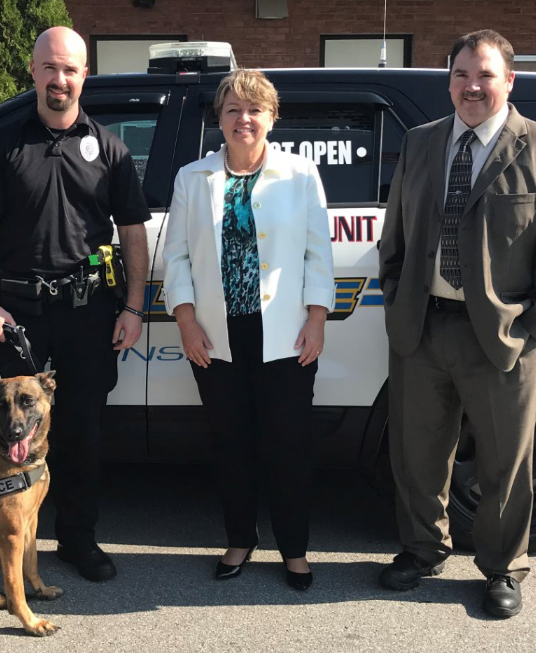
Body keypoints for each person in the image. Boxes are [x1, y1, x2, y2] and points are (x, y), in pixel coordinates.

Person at [376, 29, 536, 617]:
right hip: (422, 327)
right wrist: (396, 295)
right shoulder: (419, 144)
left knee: (504, 461)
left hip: (502, 336)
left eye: (485, 74)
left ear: (509, 81)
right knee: (417, 454)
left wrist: (534, 329)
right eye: (461, 75)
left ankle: (501, 568)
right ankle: (421, 550)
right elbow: (394, 235)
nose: (472, 86)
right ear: (448, 82)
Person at [0, 26, 151, 582]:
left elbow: (134, 234)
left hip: (90, 312)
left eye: (70, 69)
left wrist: (133, 307)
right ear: (34, 72)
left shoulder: (111, 149)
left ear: (84, 75)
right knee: (2, 434)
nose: (59, 79)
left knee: (82, 432)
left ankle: (76, 540)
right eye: (50, 68)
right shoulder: (3, 144)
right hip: (18, 315)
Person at [161, 69, 334, 591]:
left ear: (272, 117)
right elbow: (176, 257)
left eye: (255, 109)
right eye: (233, 109)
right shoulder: (193, 179)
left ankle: (294, 549)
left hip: (286, 337)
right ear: (219, 118)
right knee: (230, 444)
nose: (245, 118)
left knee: (288, 445)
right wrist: (186, 321)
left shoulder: (301, 176)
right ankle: (239, 538)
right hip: (215, 338)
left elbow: (316, 253)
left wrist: (318, 318)